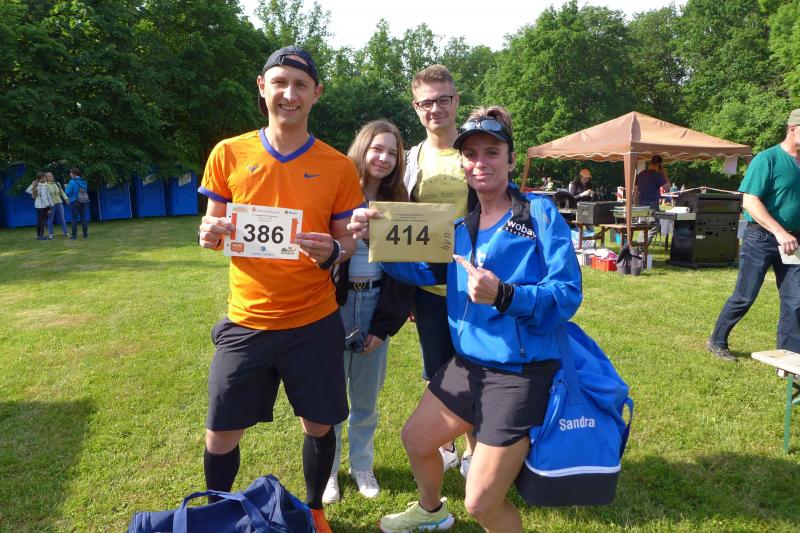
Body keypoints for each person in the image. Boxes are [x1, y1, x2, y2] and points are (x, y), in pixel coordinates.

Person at [349, 106, 582, 532]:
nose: (480, 162)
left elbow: (566, 294)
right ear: (462, 164)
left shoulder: (538, 214)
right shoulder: (461, 228)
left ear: (510, 160)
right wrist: (377, 239)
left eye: (492, 152)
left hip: (519, 373)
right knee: (417, 439)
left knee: (480, 503)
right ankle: (431, 511)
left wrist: (505, 295)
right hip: (468, 364)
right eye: (471, 154)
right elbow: (425, 273)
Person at [195, 45, 363, 533]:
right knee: (220, 433)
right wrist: (209, 234)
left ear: (316, 94)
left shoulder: (336, 165)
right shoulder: (229, 153)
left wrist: (334, 250)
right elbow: (214, 227)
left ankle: (314, 511)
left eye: (300, 85)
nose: (290, 94)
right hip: (246, 320)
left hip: (313, 321)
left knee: (319, 424)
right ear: (262, 87)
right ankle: (217, 514)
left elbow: (347, 241)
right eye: (280, 83)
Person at [322, 120, 415, 504]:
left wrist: (384, 325)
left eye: (392, 152)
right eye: (377, 148)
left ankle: (362, 465)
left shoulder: (400, 203)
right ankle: (328, 472)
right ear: (362, 149)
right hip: (335, 306)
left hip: (376, 304)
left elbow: (406, 271)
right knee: (329, 399)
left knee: (365, 400)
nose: (384, 158)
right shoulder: (335, 192)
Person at [403, 64, 475, 474]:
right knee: (437, 370)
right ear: (416, 108)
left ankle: (473, 448)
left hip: (472, 286)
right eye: (426, 102)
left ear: (456, 101)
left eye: (443, 100)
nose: (435, 109)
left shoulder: (475, 150)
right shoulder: (410, 159)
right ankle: (444, 444)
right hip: (428, 287)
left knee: (476, 366)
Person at [707, 108, 800, 361]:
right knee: (745, 295)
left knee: (795, 300)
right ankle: (717, 340)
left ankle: (790, 359)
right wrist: (779, 231)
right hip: (762, 238)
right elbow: (750, 201)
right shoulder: (767, 159)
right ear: (793, 129)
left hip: (793, 242)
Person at [64, 168, 89, 239]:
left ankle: (74, 236)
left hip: (75, 201)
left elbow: (67, 193)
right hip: (83, 201)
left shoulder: (72, 182)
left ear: (74, 174)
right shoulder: (83, 181)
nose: (70, 174)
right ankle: (85, 236)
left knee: (74, 219)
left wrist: (66, 187)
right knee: (83, 218)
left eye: (71, 173)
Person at [45, 172, 70, 238]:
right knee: (50, 219)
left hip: (59, 203)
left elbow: (61, 192)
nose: (50, 177)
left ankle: (66, 232)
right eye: (48, 176)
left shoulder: (57, 184)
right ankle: (51, 233)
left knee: (62, 218)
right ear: (46, 178)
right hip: (51, 204)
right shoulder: (45, 185)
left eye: (51, 176)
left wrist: (66, 199)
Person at [31, 172, 53, 240]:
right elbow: (43, 197)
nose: (45, 178)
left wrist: (49, 207)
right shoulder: (39, 185)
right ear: (42, 177)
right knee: (41, 221)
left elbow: (47, 196)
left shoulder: (42, 184)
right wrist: (48, 207)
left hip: (42, 206)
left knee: (42, 221)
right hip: (41, 206)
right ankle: (40, 236)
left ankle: (41, 235)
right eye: (44, 177)